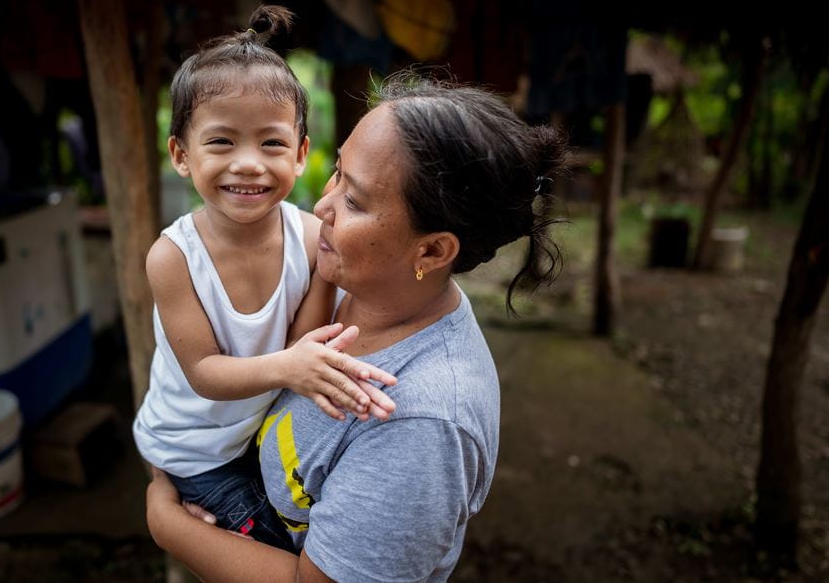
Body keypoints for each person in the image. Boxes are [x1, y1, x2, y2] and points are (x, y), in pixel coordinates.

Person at [146, 73, 570, 581]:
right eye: (338, 173)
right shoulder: (349, 276)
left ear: (432, 250)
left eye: (354, 201)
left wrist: (167, 522)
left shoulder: (421, 424)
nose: (320, 205)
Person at [133, 6, 397, 551]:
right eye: (222, 142)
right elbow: (205, 372)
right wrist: (291, 368)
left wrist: (324, 268)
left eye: (272, 143)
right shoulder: (173, 257)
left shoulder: (307, 237)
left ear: (302, 155)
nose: (249, 163)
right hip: (195, 450)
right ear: (181, 155)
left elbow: (303, 344)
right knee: (277, 549)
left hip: (257, 432)